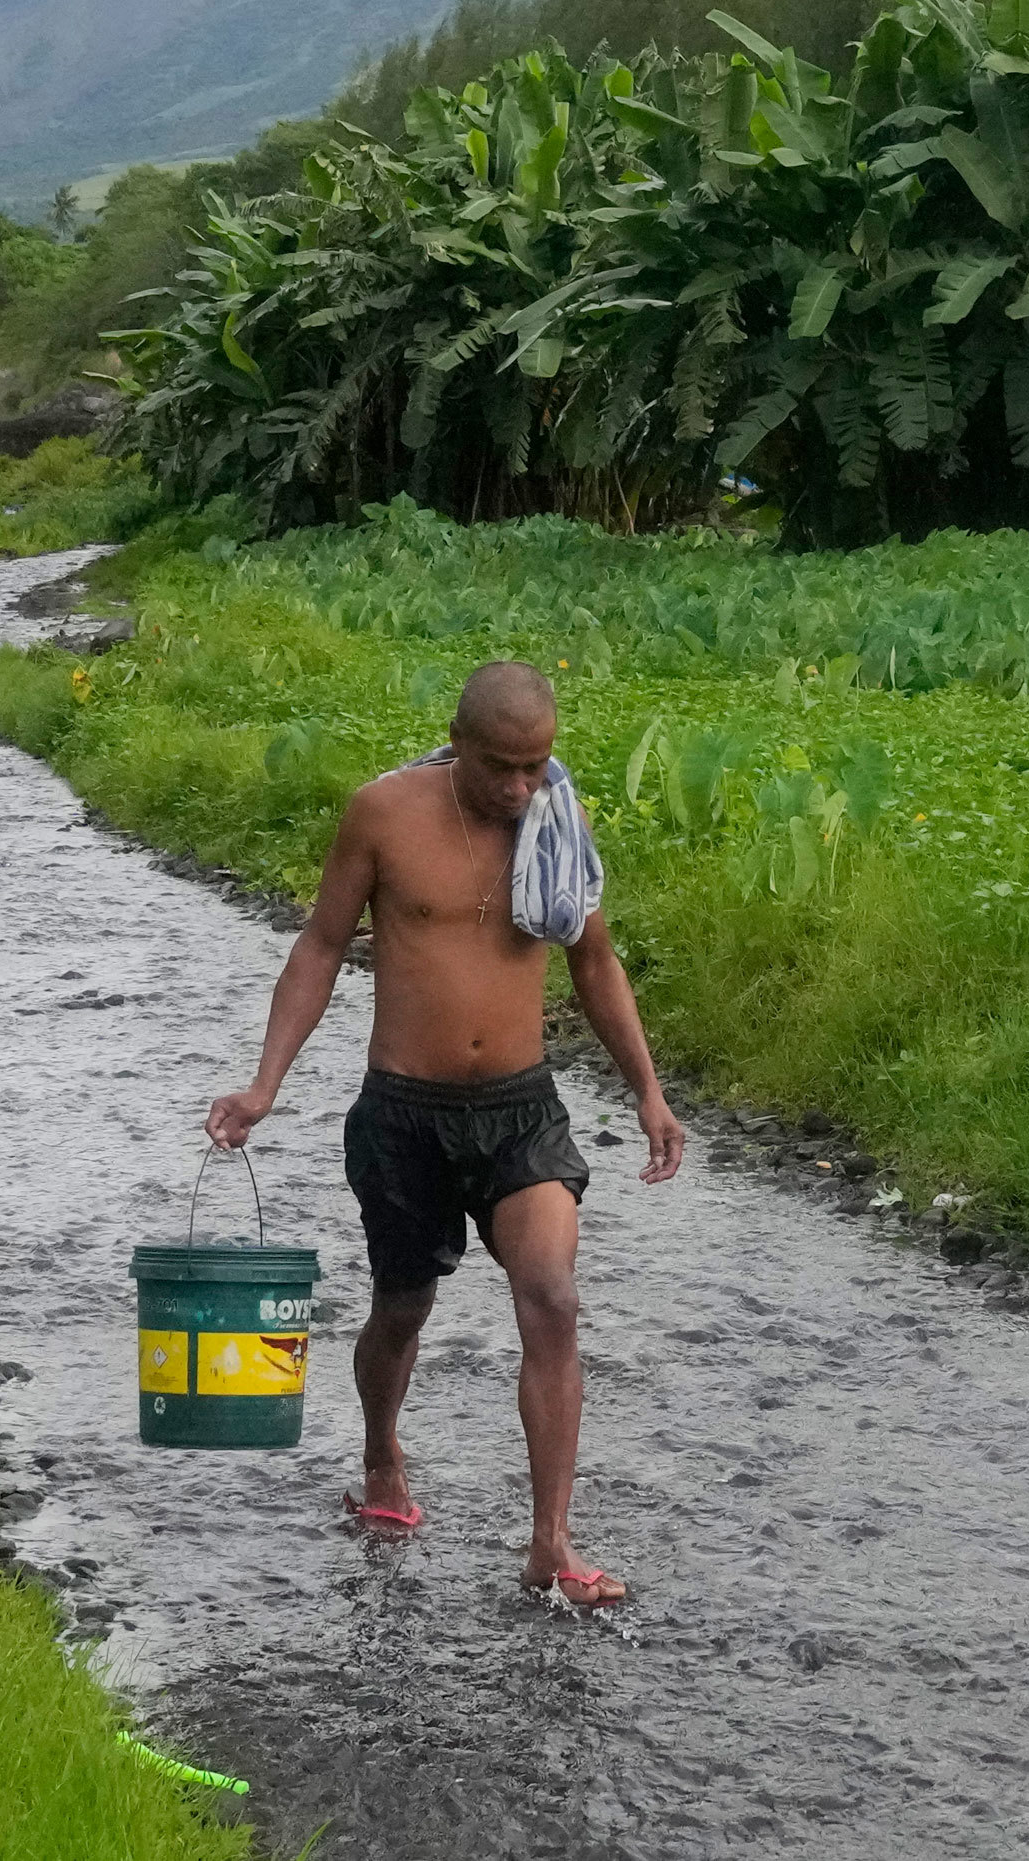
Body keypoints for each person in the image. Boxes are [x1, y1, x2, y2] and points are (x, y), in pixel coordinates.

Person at [205, 659, 685, 1608]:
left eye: (535, 764)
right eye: (502, 766)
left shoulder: (556, 817)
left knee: (550, 1296)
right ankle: (383, 1453)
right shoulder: (383, 814)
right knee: (402, 1307)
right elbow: (321, 947)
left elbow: (593, 962)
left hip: (520, 1110)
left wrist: (649, 1091)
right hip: (404, 1115)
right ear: (458, 743)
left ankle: (550, 1542)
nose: (519, 786)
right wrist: (266, 1082)